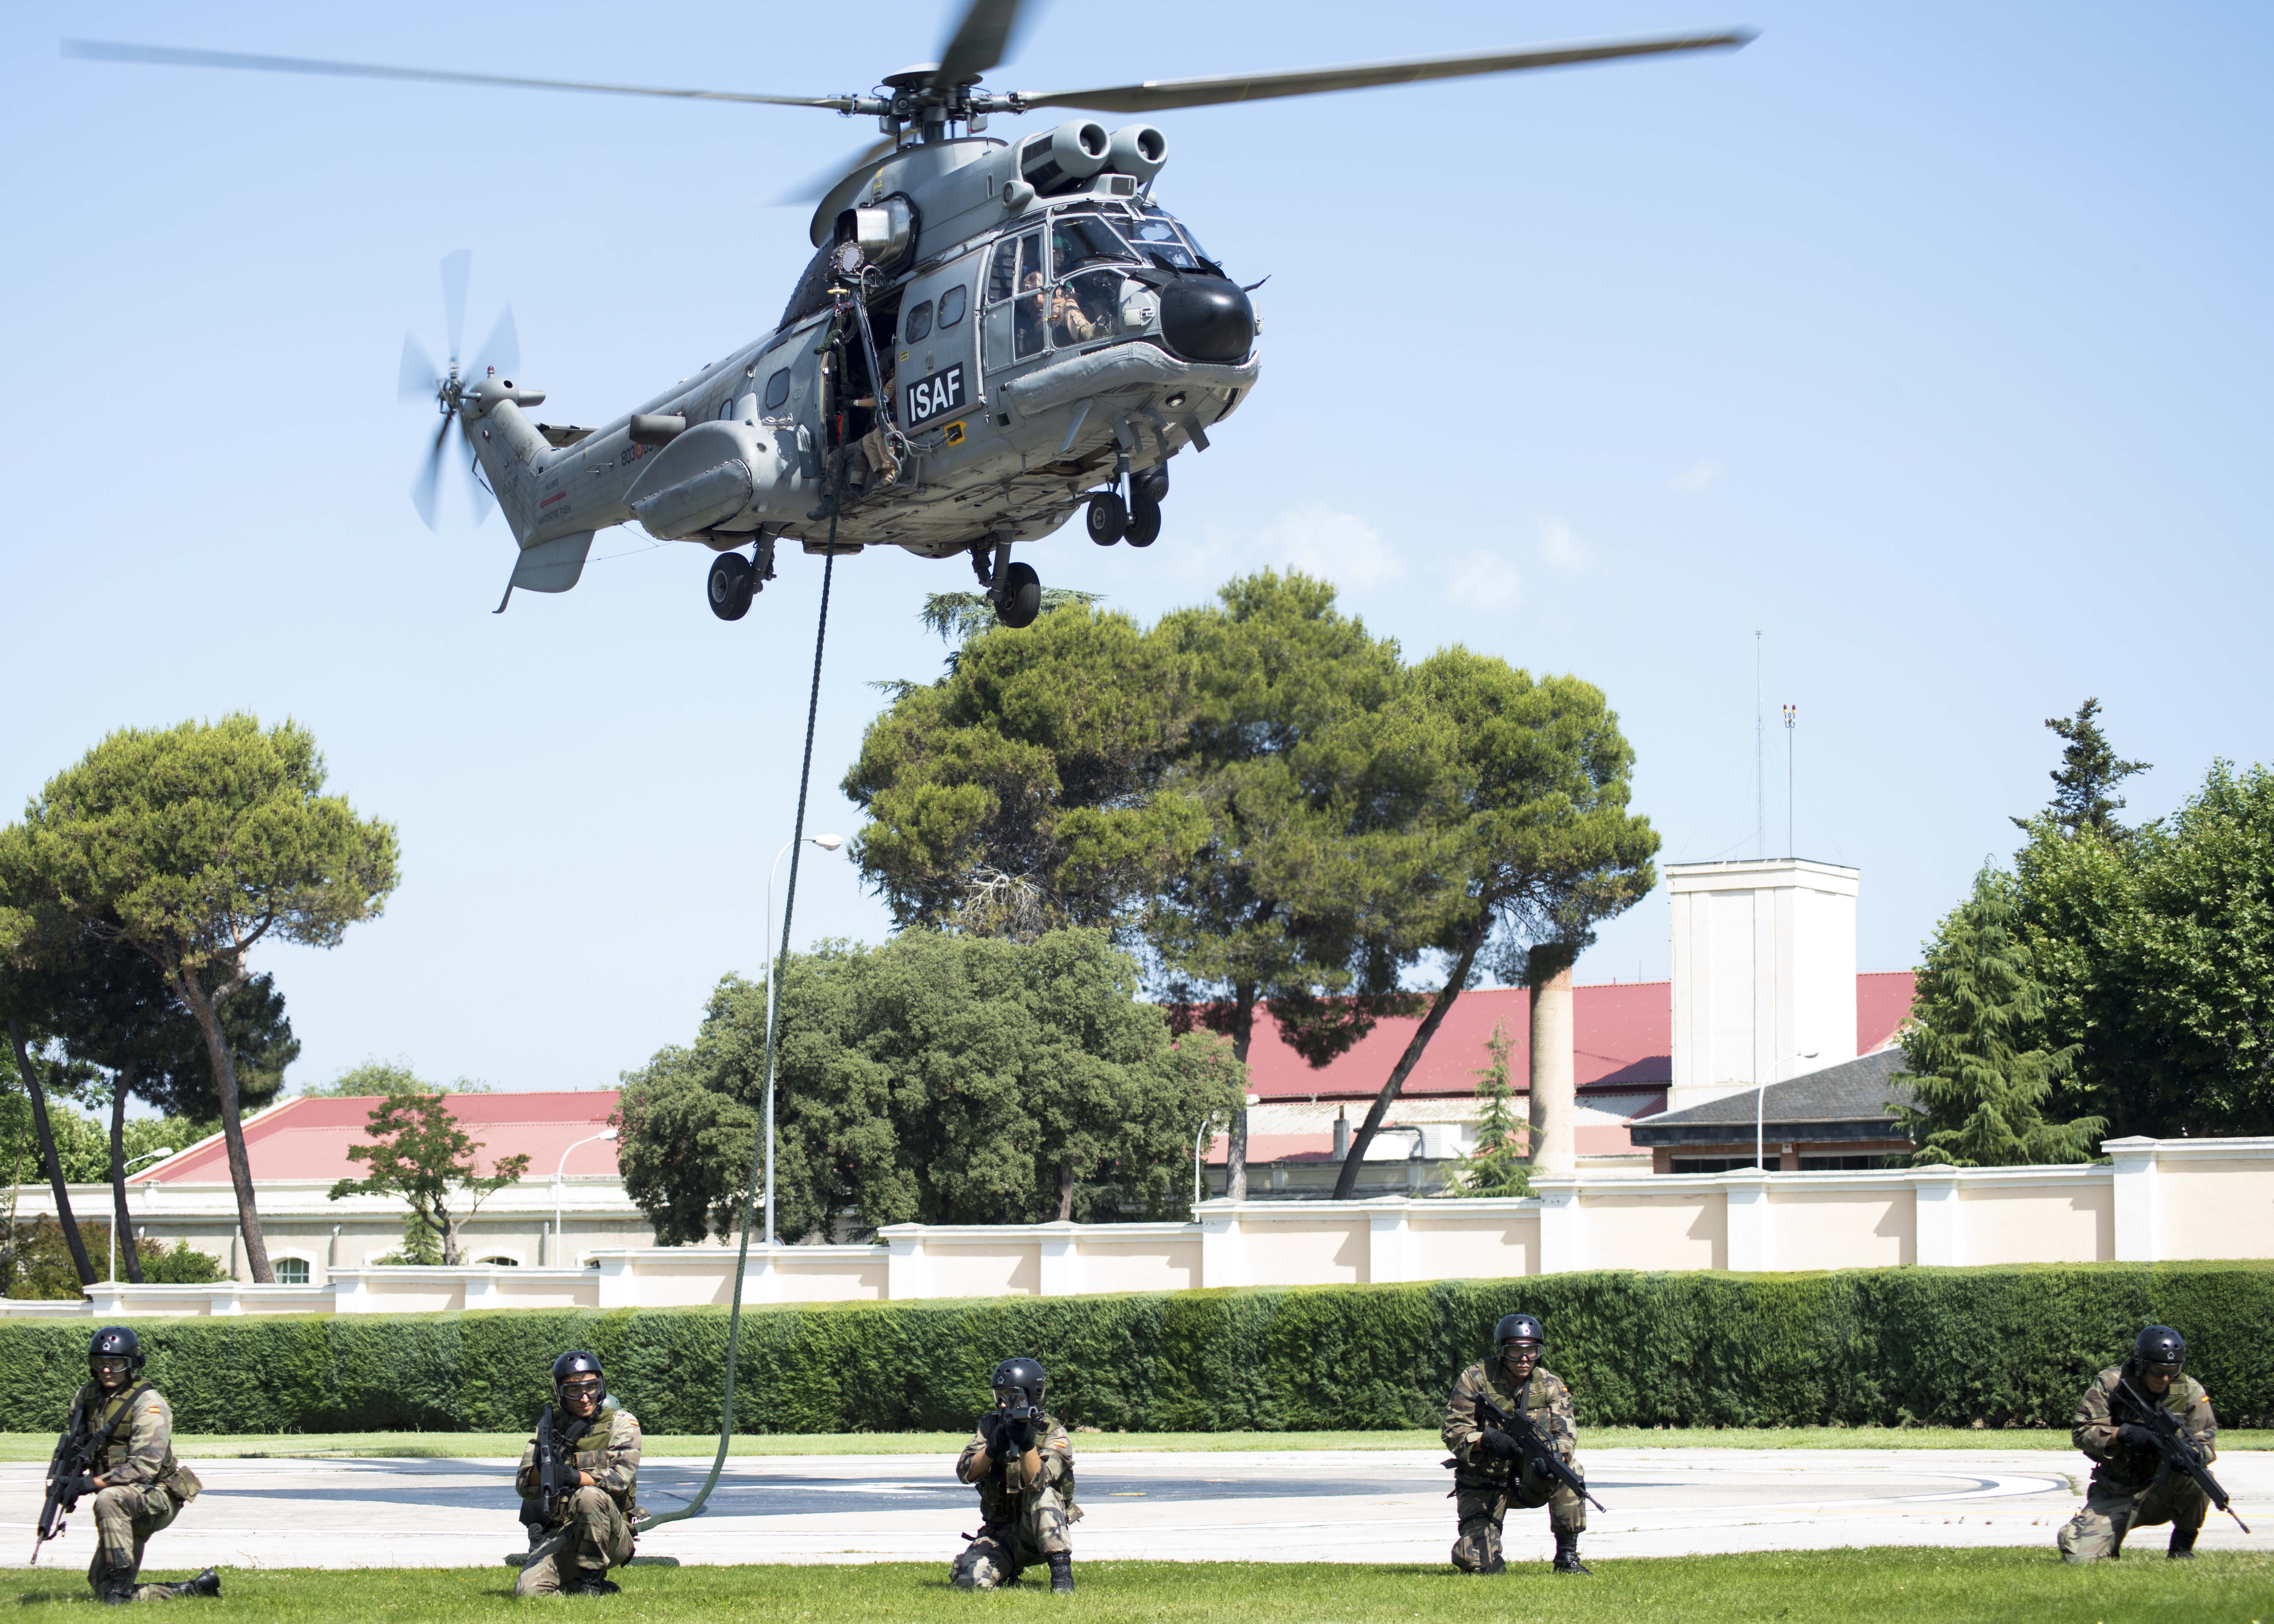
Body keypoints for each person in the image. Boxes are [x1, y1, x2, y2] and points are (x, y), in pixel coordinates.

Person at [62, 1325, 219, 1604]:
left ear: (132, 1365)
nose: (107, 1370)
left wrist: (91, 1483)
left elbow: (144, 1467)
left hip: (158, 1496)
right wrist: (67, 1481)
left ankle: (119, 1587)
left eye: (116, 1364)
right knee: (100, 1586)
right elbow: (76, 1446)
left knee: (108, 1498)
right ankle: (193, 1589)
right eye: (100, 1363)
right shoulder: (87, 1397)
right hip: (124, 1498)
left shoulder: (149, 1404)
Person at [1441, 1312, 1589, 1576]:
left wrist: (1555, 1458)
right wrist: (1487, 1440)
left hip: (1531, 1480)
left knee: (1569, 1471)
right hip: (1485, 1482)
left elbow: (1566, 1435)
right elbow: (1453, 1431)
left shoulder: (1550, 1385)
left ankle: (1568, 1557)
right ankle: (1487, 1554)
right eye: (1515, 1352)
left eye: (1532, 1352)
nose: (1524, 1359)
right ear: (1501, 1352)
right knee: (1477, 1564)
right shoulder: (1476, 1379)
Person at [2058, 1324, 2218, 1562]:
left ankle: (2181, 1548)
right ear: (2142, 1364)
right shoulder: (2112, 1383)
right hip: (2117, 1491)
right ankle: (2108, 1543)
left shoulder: (2191, 1391)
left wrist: (2190, 1455)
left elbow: (2206, 1444)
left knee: (2201, 1478)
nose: (2166, 1379)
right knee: (2079, 1558)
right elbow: (2082, 1432)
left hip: (2162, 1493)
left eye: (2173, 1371)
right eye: (2158, 1371)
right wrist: (2125, 1434)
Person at [514, 1350, 643, 1598]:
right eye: (574, 1391)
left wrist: (571, 1477)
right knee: (528, 1593)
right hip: (567, 1531)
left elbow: (620, 1477)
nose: (585, 1398)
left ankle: (591, 1583)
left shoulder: (621, 1423)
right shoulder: (551, 1428)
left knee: (589, 1495)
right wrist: (544, 1467)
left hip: (613, 1534)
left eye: (591, 1388)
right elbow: (524, 1487)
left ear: (601, 1388)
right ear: (561, 1394)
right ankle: (590, 1588)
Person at [950, 1356, 1081, 1593]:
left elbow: (1037, 1481)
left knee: (1043, 1494)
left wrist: (1027, 1443)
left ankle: (1062, 1577)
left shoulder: (1053, 1433)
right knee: (970, 1583)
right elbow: (966, 1473)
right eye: (999, 1396)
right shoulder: (990, 1426)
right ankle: (1006, 1569)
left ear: (1032, 1395)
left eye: (1011, 1396)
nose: (1003, 1404)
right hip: (999, 1533)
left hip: (1037, 1534)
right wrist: (992, 1447)